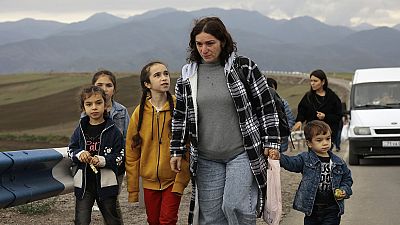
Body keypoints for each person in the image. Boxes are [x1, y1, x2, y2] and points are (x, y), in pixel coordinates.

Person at [169, 17, 280, 225]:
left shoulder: (243, 67)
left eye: (210, 43)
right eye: (199, 44)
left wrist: (271, 141)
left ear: (222, 41)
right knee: (211, 216)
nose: (204, 49)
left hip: (241, 153)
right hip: (205, 157)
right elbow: (180, 116)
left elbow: (266, 105)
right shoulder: (188, 76)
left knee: (234, 205)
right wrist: (175, 149)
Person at [125, 61, 190, 225]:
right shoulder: (139, 113)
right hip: (149, 182)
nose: (164, 78)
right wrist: (133, 190)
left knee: (167, 220)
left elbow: (189, 145)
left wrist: (182, 177)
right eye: (157, 75)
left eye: (166, 74)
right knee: (153, 221)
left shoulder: (179, 107)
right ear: (147, 84)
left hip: (173, 179)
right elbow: (132, 153)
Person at [269, 120, 353, 225]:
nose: (325, 143)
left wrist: (344, 190)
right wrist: (279, 157)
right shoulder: (305, 159)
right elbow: (292, 163)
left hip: (332, 209)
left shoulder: (338, 162)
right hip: (312, 209)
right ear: (309, 143)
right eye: (319, 140)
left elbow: (347, 179)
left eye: (328, 138)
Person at [68, 85, 124, 225]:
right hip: (84, 184)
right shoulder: (80, 129)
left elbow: (120, 156)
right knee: (81, 220)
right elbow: (71, 149)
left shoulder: (113, 131)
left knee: (112, 219)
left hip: (106, 184)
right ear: (83, 108)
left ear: (105, 105)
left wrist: (102, 160)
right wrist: (80, 154)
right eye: (89, 104)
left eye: (98, 103)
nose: (94, 107)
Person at [91, 70, 129, 221]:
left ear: (114, 89)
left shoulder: (121, 111)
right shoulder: (87, 111)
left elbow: (127, 138)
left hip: (115, 165)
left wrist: (124, 160)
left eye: (109, 85)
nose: (104, 89)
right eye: (99, 85)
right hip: (94, 165)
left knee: (111, 199)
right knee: (101, 200)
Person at [292, 69, 342, 145]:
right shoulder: (308, 97)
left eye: (315, 81)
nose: (312, 83)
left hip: (327, 135)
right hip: (312, 135)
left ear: (323, 82)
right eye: (311, 81)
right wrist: (299, 121)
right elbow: (302, 111)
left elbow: (338, 116)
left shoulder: (332, 97)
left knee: (324, 155)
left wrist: (325, 116)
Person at [267, 77, 296, 152]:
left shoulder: (282, 103)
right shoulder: (260, 104)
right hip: (267, 139)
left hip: (282, 140)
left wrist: (284, 131)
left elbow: (290, 119)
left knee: (281, 160)